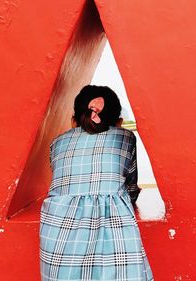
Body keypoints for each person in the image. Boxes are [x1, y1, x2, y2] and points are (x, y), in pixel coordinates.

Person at [40, 85, 154, 281]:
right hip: (112, 227)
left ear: (73, 121)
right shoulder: (125, 137)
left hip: (58, 232)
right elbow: (131, 186)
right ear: (119, 122)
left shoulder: (57, 142)